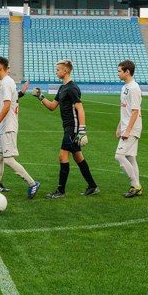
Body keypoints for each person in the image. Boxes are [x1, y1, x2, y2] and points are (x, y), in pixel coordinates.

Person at [31, 60, 98, 199]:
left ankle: (61, 191)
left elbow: (80, 108)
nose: (56, 72)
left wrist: (82, 130)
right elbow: (52, 106)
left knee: (63, 156)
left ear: (66, 70)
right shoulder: (62, 88)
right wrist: (40, 96)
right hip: (68, 127)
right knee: (78, 157)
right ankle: (92, 186)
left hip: (72, 128)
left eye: (58, 70)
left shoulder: (72, 88)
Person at [0, 56, 40, 199]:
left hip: (8, 126)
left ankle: (32, 183)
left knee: (8, 160)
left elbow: (7, 106)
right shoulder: (3, 83)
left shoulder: (7, 83)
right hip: (2, 127)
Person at [115, 59, 143, 198]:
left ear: (127, 71)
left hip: (132, 128)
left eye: (119, 71)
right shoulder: (125, 87)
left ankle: (135, 185)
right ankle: (137, 187)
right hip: (127, 126)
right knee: (131, 157)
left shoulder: (134, 88)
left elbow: (135, 111)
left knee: (119, 156)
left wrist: (128, 130)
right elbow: (125, 109)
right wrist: (120, 126)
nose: (117, 73)